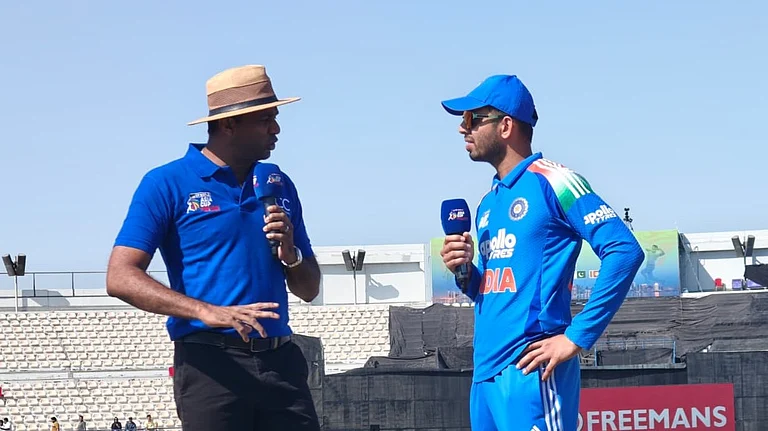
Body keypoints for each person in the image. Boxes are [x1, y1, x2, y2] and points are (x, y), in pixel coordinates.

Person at [106, 64, 322, 431]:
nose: (276, 129)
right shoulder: (166, 183)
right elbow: (120, 275)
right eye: (266, 118)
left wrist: (292, 255)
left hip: (281, 363)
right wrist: (207, 311)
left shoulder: (278, 184)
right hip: (211, 367)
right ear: (229, 124)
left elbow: (309, 289)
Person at [439, 75, 644, 431]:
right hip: (484, 376)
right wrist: (464, 271)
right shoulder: (488, 202)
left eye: (472, 118)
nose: (462, 128)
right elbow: (490, 290)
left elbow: (624, 250)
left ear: (505, 125)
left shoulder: (555, 180)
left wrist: (576, 337)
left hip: (530, 371)